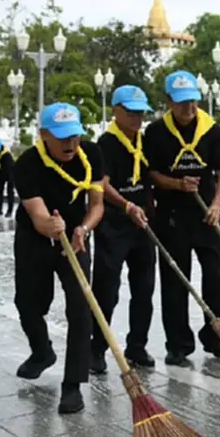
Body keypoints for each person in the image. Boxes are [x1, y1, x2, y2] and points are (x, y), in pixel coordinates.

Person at [12, 103, 104, 414]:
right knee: (28, 304)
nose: (70, 144)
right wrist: (50, 226)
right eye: (62, 137)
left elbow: (97, 205)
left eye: (74, 136)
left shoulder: (92, 154)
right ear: (43, 135)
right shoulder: (26, 164)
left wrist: (84, 228)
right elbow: (37, 216)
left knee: (80, 306)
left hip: (76, 237)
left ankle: (73, 384)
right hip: (35, 238)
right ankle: (42, 352)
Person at [143, 71, 220, 367]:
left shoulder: (211, 129)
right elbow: (152, 173)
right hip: (171, 217)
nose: (189, 108)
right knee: (175, 282)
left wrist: (217, 205)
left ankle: (217, 336)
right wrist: (176, 184)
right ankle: (178, 345)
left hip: (206, 214)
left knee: (216, 278)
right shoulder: (155, 132)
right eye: (182, 103)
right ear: (168, 101)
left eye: (193, 101)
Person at [90, 85, 157, 374]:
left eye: (140, 113)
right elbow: (102, 185)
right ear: (115, 111)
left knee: (144, 288)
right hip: (114, 226)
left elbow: (151, 176)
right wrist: (127, 205)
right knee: (107, 290)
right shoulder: (105, 144)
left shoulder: (143, 140)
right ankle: (96, 349)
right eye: (130, 112)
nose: (136, 118)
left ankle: (137, 345)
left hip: (141, 225)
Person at [0, 137, 16, 217]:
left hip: (11, 173)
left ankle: (9, 211)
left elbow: (5, 170)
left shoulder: (6, 155)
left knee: (9, 192)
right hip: (2, 172)